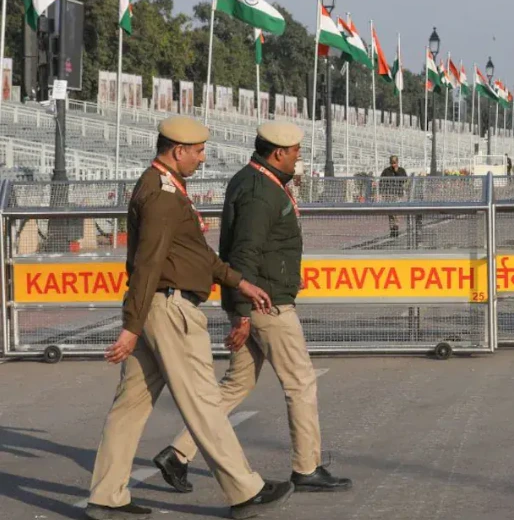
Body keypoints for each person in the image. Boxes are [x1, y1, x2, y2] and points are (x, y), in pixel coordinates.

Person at [85, 116, 293, 520]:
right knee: (203, 403)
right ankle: (244, 490)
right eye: (198, 151)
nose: (202, 158)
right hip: (169, 309)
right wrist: (130, 327)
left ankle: (106, 495)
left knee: (129, 407)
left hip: (156, 308)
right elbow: (148, 264)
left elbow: (196, 256)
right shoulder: (162, 195)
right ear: (177, 150)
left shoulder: (165, 187)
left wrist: (240, 282)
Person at [152, 123, 351, 499]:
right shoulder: (261, 192)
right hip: (265, 303)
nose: (298, 159)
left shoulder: (253, 180)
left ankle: (178, 453)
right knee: (300, 381)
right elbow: (245, 252)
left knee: (237, 384)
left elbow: (262, 248)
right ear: (278, 153)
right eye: (295, 152)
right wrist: (243, 311)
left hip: (257, 297)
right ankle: (306, 467)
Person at [379, 155, 407, 238]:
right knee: (390, 213)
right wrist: (381, 193)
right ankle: (392, 229)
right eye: (391, 163)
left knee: (396, 212)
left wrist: (397, 171)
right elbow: (381, 181)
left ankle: (396, 228)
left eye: (394, 163)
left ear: (397, 162)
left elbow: (404, 180)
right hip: (388, 193)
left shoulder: (401, 170)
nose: (393, 164)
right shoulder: (386, 171)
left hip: (398, 194)